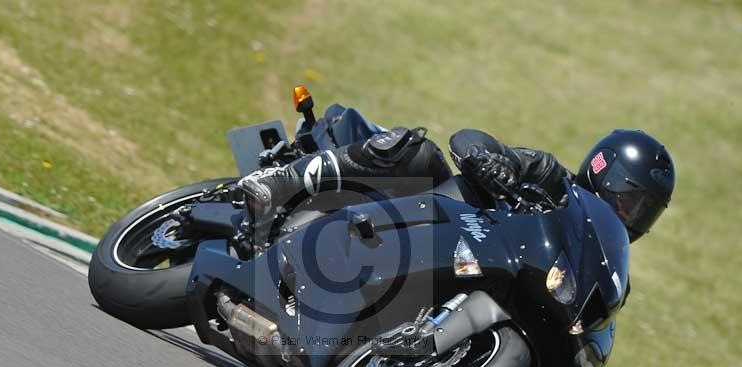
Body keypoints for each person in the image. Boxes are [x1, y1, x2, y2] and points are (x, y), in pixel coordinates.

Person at [238, 109, 675, 245]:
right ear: (604, 172)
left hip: (459, 268)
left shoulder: (594, 259)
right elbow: (469, 137)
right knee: (418, 150)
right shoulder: (549, 176)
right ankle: (280, 183)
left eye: (644, 212)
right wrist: (485, 160)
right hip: (434, 217)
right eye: (629, 201)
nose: (630, 216)